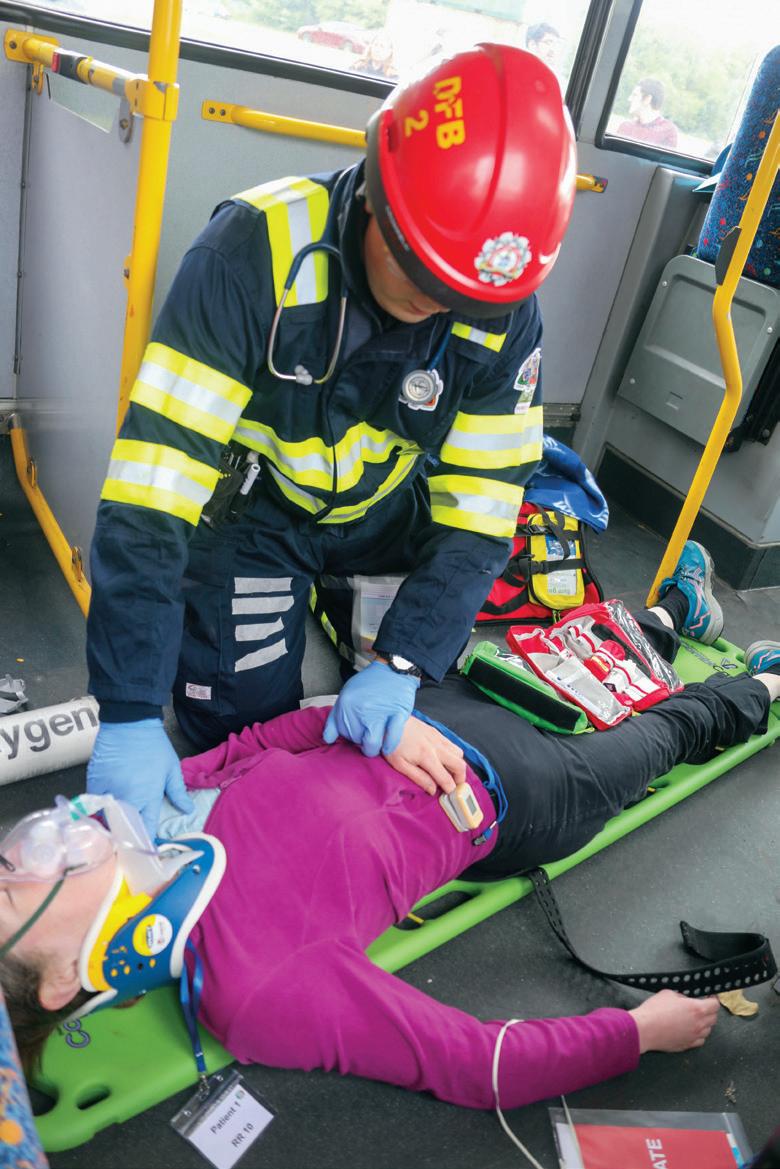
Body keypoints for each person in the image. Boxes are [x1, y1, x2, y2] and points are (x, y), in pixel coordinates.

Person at [3, 544, 779, 1113]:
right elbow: (474, 1061)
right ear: (65, 977)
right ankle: (768, 682)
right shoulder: (253, 986)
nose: (20, 855)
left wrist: (364, 716)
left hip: (417, 718)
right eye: (10, 889)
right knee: (671, 732)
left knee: (570, 655)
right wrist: (638, 1033)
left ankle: (672, 616)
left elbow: (259, 741)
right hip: (523, 794)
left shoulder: (152, 810)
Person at [84, 43, 578, 837]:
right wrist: (128, 708)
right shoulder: (251, 253)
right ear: (376, 190)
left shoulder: (501, 309)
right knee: (239, 729)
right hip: (257, 516)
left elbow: (482, 511)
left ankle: (354, 627)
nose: (435, 306)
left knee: (433, 689)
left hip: (383, 513)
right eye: (420, 274)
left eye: (460, 299)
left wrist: (403, 664)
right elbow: (152, 494)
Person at [615, 78, 679, 149]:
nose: (629, 99)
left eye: (634, 95)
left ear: (647, 99)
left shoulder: (668, 131)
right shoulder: (625, 127)